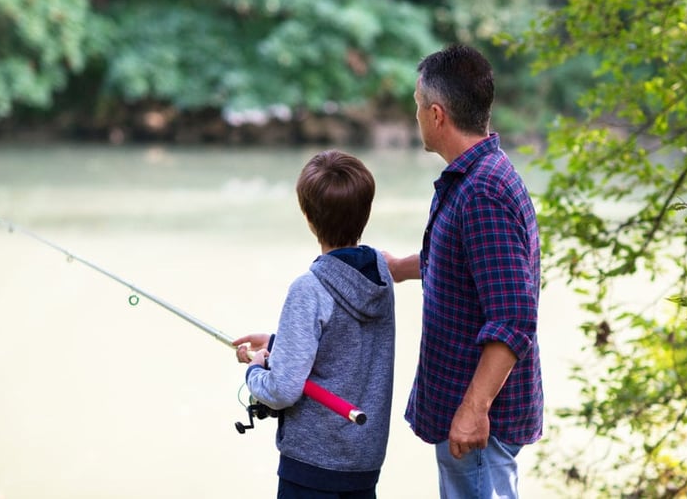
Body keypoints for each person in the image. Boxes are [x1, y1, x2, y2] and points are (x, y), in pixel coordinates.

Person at [384, 45, 543, 498]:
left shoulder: (483, 193)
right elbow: (466, 264)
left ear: (437, 115)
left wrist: (474, 409)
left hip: (481, 423)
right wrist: (400, 268)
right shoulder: (472, 176)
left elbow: (513, 317)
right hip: (468, 407)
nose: (415, 117)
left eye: (417, 107)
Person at [233, 149, 396, 499]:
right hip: (363, 465)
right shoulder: (380, 275)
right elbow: (343, 350)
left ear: (308, 216)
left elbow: (281, 391)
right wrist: (280, 343)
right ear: (365, 212)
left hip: (311, 469)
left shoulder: (309, 288)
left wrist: (256, 371)